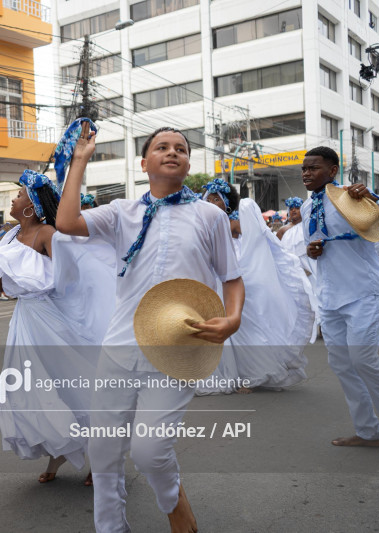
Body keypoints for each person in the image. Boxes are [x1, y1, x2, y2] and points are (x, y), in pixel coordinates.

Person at [56, 124, 245, 532]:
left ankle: (174, 502)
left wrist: (233, 318)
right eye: (162, 147)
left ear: (188, 163)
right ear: (144, 163)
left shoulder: (209, 216)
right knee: (103, 450)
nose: (172, 152)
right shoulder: (122, 212)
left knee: (150, 451)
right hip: (120, 344)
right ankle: (111, 527)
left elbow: (232, 278)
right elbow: (67, 222)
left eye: (181, 148)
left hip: (180, 345)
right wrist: (79, 162)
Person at [0, 170, 115, 485]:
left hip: (53, 321)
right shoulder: (10, 235)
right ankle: (60, 450)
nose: (12, 198)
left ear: (32, 204)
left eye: (18, 194)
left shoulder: (48, 234)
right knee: (36, 390)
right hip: (25, 322)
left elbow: (71, 276)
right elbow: (2, 281)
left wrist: (59, 296)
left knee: (74, 388)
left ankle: (102, 459)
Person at [302, 146, 379, 458]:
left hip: (363, 294)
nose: (306, 173)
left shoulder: (352, 198)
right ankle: (368, 431)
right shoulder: (306, 209)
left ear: (332, 171)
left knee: (363, 360)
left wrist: (373, 198)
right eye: (303, 169)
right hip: (329, 297)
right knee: (342, 364)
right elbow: (313, 247)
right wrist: (312, 251)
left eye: (314, 168)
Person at [197, 179, 312, 394]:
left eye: (217, 198)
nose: (212, 202)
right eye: (209, 198)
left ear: (226, 201)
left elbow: (256, 242)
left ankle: (251, 376)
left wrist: (249, 269)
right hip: (216, 277)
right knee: (223, 329)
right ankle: (234, 374)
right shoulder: (203, 221)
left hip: (240, 275)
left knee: (245, 329)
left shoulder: (235, 219)